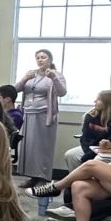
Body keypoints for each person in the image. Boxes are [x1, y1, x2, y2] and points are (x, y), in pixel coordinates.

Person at [16, 49, 67, 185]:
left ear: (50, 60)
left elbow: (62, 92)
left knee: (43, 148)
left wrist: (53, 78)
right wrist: (25, 78)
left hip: (44, 116)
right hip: (28, 114)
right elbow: (15, 89)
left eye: (43, 57)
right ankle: (32, 177)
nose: (40, 60)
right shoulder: (31, 74)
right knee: (29, 147)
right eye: (38, 57)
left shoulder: (55, 74)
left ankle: (43, 177)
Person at [64, 91, 111, 171]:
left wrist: (91, 154)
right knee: (70, 155)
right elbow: (85, 138)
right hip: (89, 147)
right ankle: (76, 181)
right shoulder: (90, 116)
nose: (94, 101)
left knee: (96, 161)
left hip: (108, 151)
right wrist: (88, 152)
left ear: (108, 103)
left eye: (98, 99)